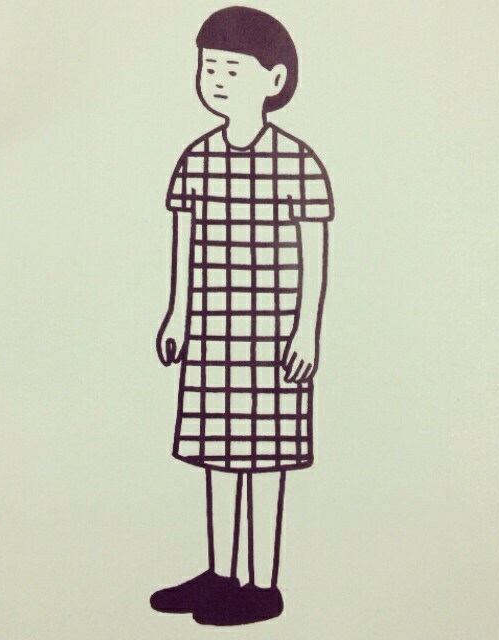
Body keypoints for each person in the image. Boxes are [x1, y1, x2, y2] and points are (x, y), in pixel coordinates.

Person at [152, 6, 334, 626]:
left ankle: (261, 585)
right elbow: (185, 245)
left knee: (266, 455)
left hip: (273, 337)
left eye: (232, 69)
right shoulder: (196, 160)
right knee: (218, 452)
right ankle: (221, 572)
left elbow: (314, 255)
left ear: (274, 80)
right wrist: (178, 315)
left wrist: (306, 331)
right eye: (209, 68)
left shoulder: (298, 162)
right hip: (213, 333)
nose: (217, 80)